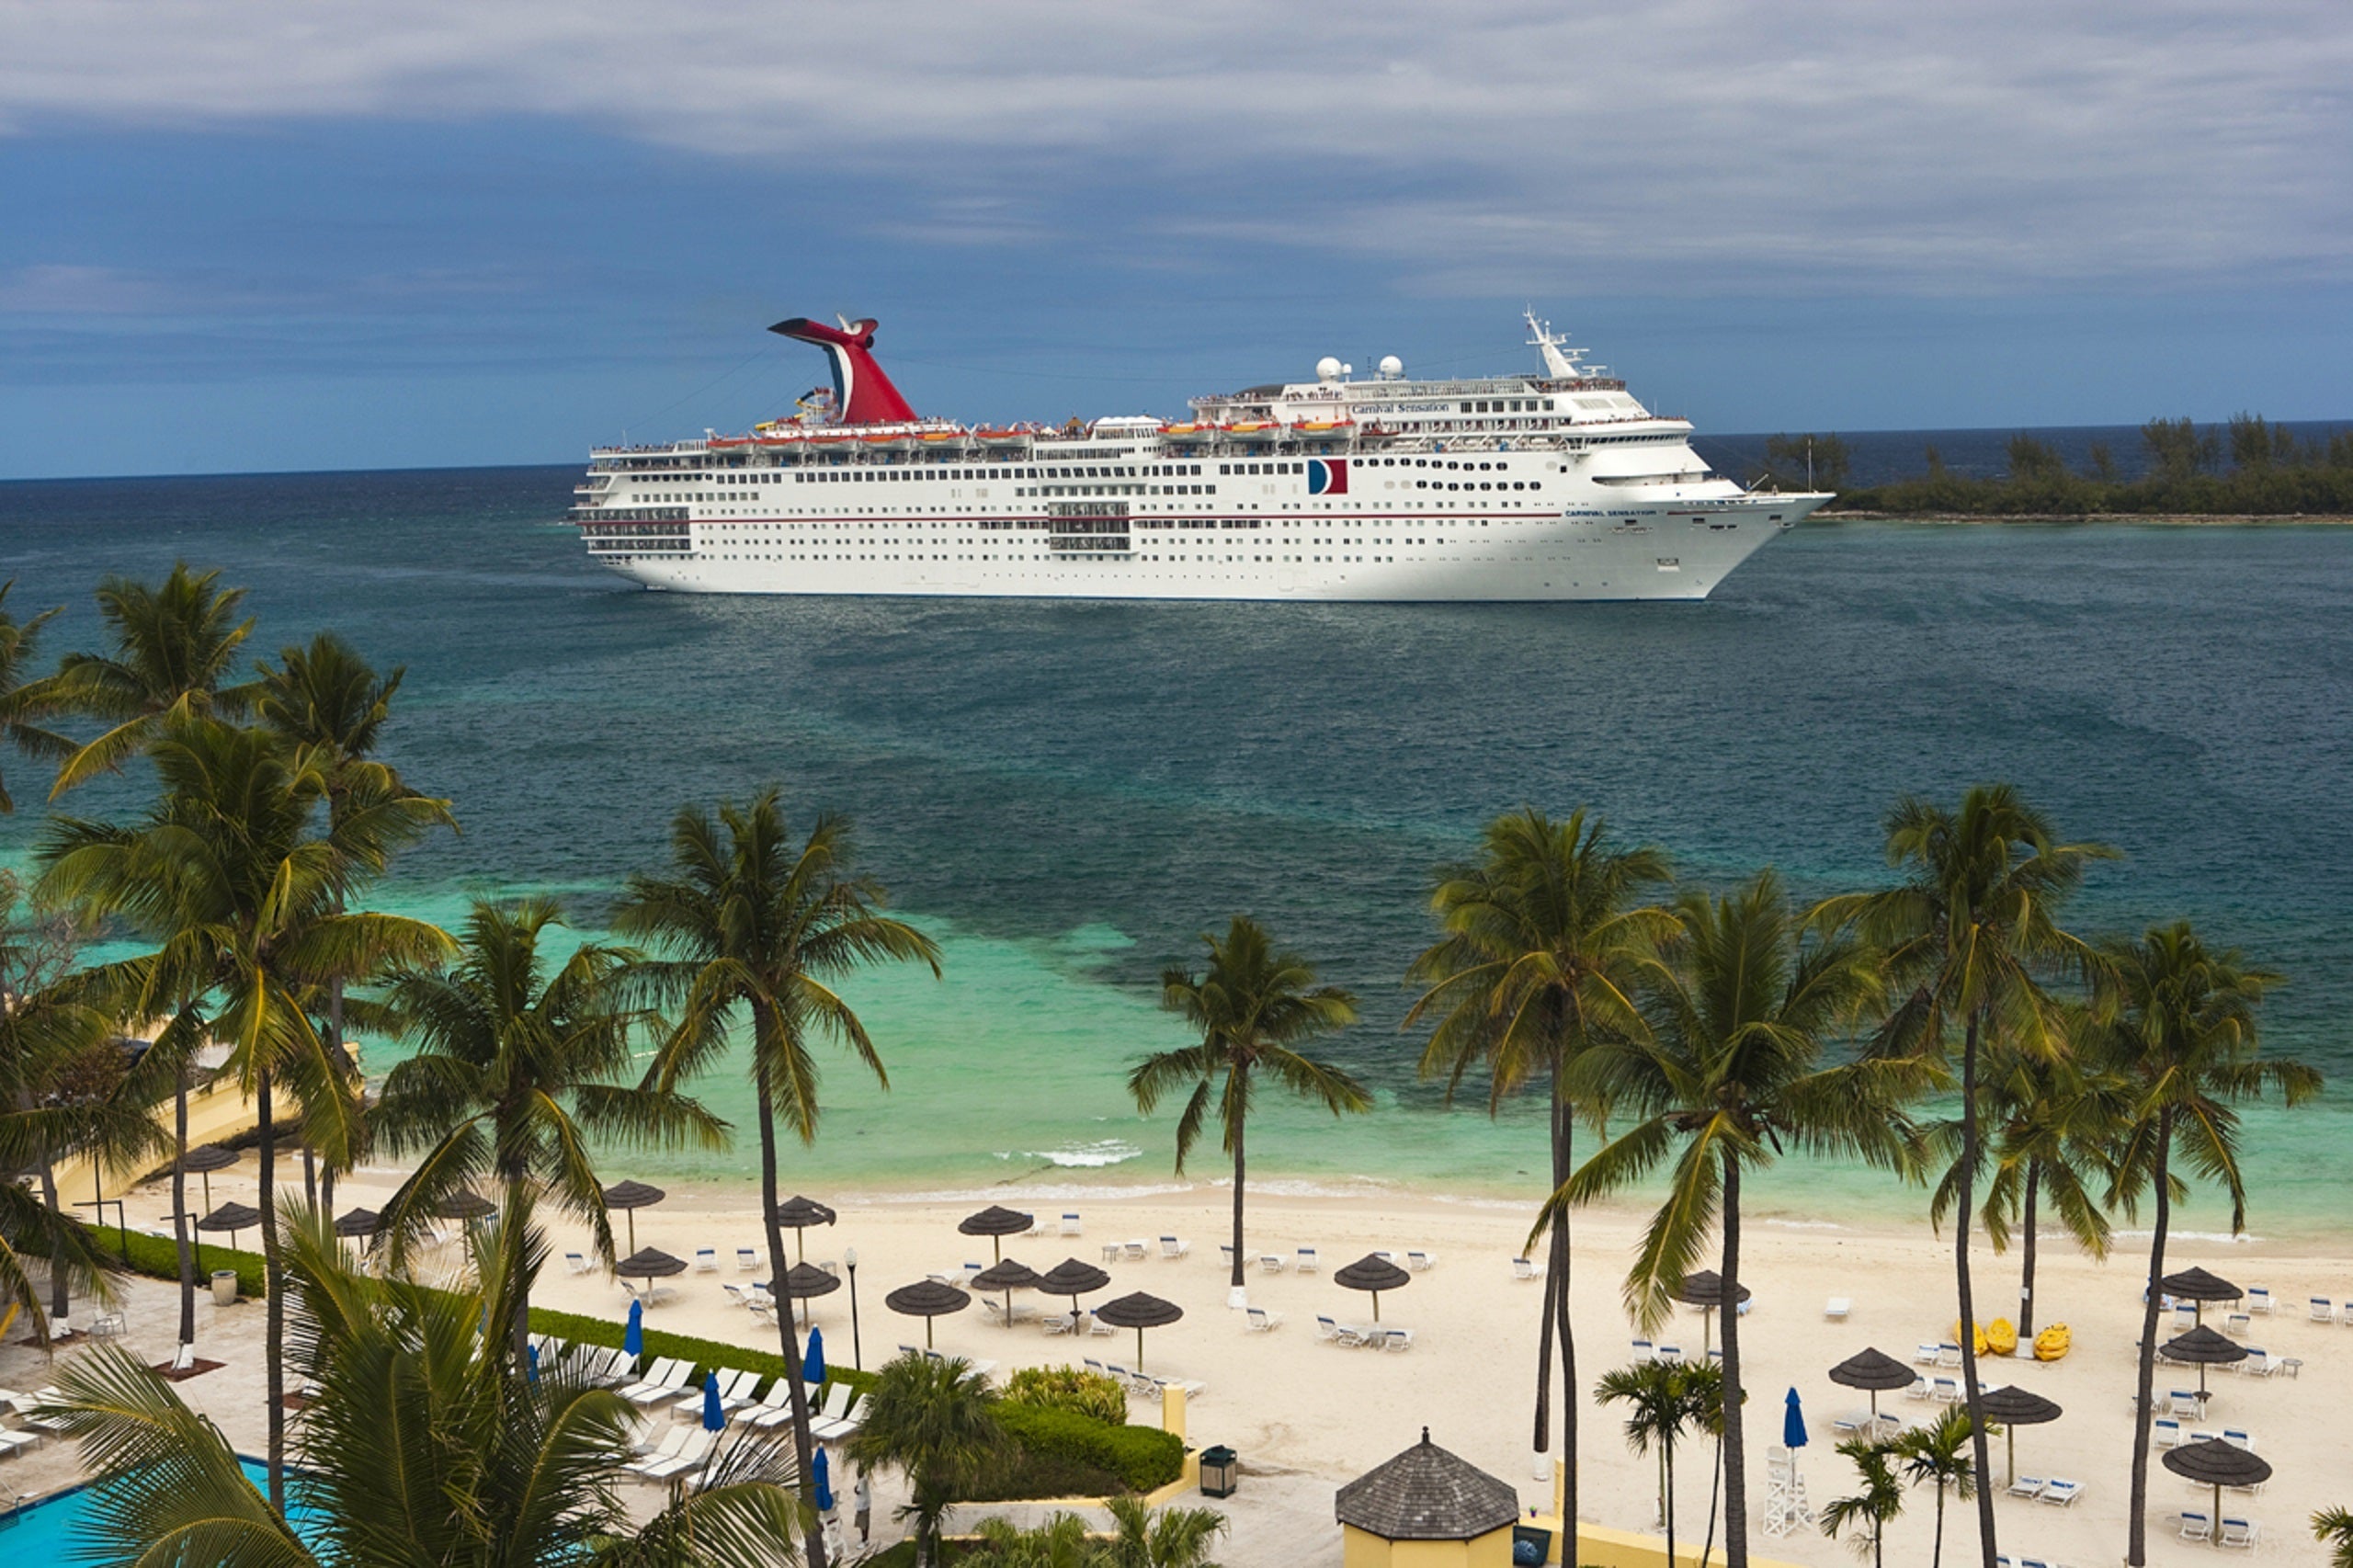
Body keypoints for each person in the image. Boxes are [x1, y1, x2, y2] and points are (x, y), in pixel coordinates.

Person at [854, 1468, 872, 1545]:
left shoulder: (862, 1481)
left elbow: (859, 1491)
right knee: (866, 1523)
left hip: (862, 1506)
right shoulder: (864, 1479)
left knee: (863, 1524)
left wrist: (855, 1489)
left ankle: (864, 1540)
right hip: (866, 1505)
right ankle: (865, 1539)